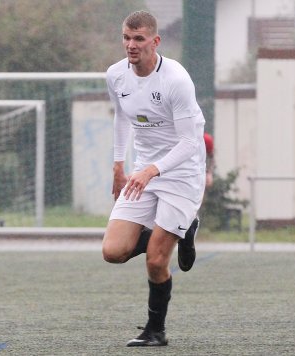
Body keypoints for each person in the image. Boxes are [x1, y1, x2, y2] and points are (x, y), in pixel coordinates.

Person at [102, 10, 206, 346]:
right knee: (113, 251)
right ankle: (181, 230)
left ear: (155, 41)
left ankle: (155, 331)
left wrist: (152, 170)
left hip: (181, 171)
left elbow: (191, 142)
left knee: (156, 259)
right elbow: (121, 117)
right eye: (126, 38)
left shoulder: (175, 79)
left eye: (139, 39)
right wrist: (120, 165)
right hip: (143, 169)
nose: (131, 45)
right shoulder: (116, 75)